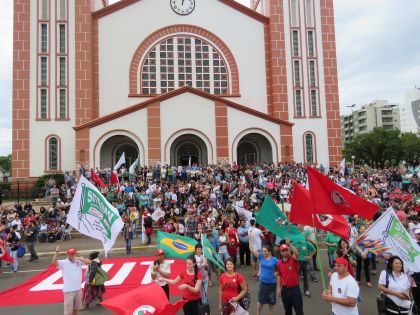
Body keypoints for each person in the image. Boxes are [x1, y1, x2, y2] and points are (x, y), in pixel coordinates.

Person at [52, 246, 91, 315]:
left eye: (73, 254)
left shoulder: (78, 261)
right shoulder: (63, 262)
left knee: (76, 309)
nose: (72, 255)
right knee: (68, 312)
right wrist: (57, 252)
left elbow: (90, 262)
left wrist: (79, 258)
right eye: (70, 254)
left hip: (78, 289)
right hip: (69, 291)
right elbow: (54, 263)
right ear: (67, 254)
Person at [249, 237, 278, 315]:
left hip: (272, 283)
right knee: (260, 301)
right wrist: (250, 239)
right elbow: (251, 249)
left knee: (271, 301)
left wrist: (276, 273)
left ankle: (270, 313)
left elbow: (280, 268)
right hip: (263, 283)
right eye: (262, 251)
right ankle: (258, 313)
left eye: (265, 251)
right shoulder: (261, 257)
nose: (263, 252)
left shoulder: (274, 260)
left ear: (269, 252)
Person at [276, 240, 304, 315]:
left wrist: (290, 244)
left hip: (295, 290)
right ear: (281, 253)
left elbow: (297, 254)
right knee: (287, 311)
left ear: (289, 250)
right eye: (283, 251)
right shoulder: (279, 263)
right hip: (285, 290)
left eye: (286, 250)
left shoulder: (293, 259)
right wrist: (278, 287)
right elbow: (279, 275)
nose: (285, 252)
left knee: (299, 311)